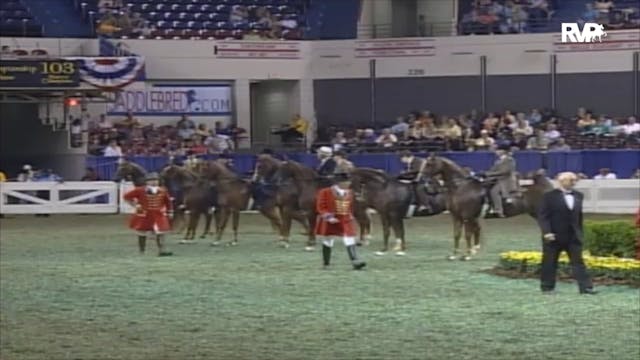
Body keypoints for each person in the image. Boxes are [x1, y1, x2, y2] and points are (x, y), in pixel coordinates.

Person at [537, 172, 596, 295]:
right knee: (550, 262)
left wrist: (580, 233)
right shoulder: (549, 196)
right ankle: (547, 287)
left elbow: (578, 216)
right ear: (561, 181)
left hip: (573, 236)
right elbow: (543, 216)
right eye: (571, 180)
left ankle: (586, 287)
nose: (574, 182)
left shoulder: (579, 195)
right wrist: (547, 232)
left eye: (575, 180)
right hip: (554, 236)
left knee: (578, 262)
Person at [315, 172, 366, 270]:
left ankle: (355, 261)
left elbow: (350, 206)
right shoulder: (325, 192)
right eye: (346, 182)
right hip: (330, 220)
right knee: (328, 240)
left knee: (349, 239)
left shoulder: (350, 192)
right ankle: (326, 263)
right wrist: (328, 217)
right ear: (339, 183)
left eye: (348, 182)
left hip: (345, 219)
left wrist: (351, 215)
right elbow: (320, 206)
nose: (348, 184)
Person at [123, 172, 174, 256]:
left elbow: (168, 202)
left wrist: (170, 211)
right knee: (142, 233)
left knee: (160, 232)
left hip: (158, 215)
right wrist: (135, 205)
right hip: (145, 215)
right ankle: (141, 251)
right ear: (147, 182)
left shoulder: (163, 190)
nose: (154, 182)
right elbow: (126, 196)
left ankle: (162, 250)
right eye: (151, 181)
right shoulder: (140, 190)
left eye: (156, 180)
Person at [482, 145, 518, 217]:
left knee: (494, 191)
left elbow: (505, 171)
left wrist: (489, 174)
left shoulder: (509, 160)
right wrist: (485, 173)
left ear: (503, 151)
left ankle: (498, 210)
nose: (496, 152)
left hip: (506, 180)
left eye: (498, 150)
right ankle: (489, 206)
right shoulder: (498, 161)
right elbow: (493, 170)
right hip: (498, 179)